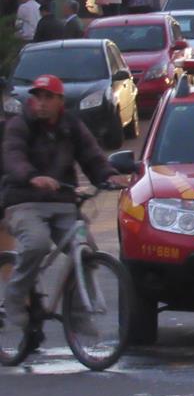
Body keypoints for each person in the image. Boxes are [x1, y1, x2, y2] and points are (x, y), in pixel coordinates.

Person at [0, 75, 132, 331]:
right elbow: (13, 156)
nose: (41, 103)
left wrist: (108, 176)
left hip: (63, 203)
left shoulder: (72, 125)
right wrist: (32, 177)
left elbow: (91, 155)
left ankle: (78, 316)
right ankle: (15, 297)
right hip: (24, 202)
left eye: (48, 97)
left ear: (60, 101)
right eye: (37, 97)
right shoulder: (20, 125)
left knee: (85, 250)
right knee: (36, 243)